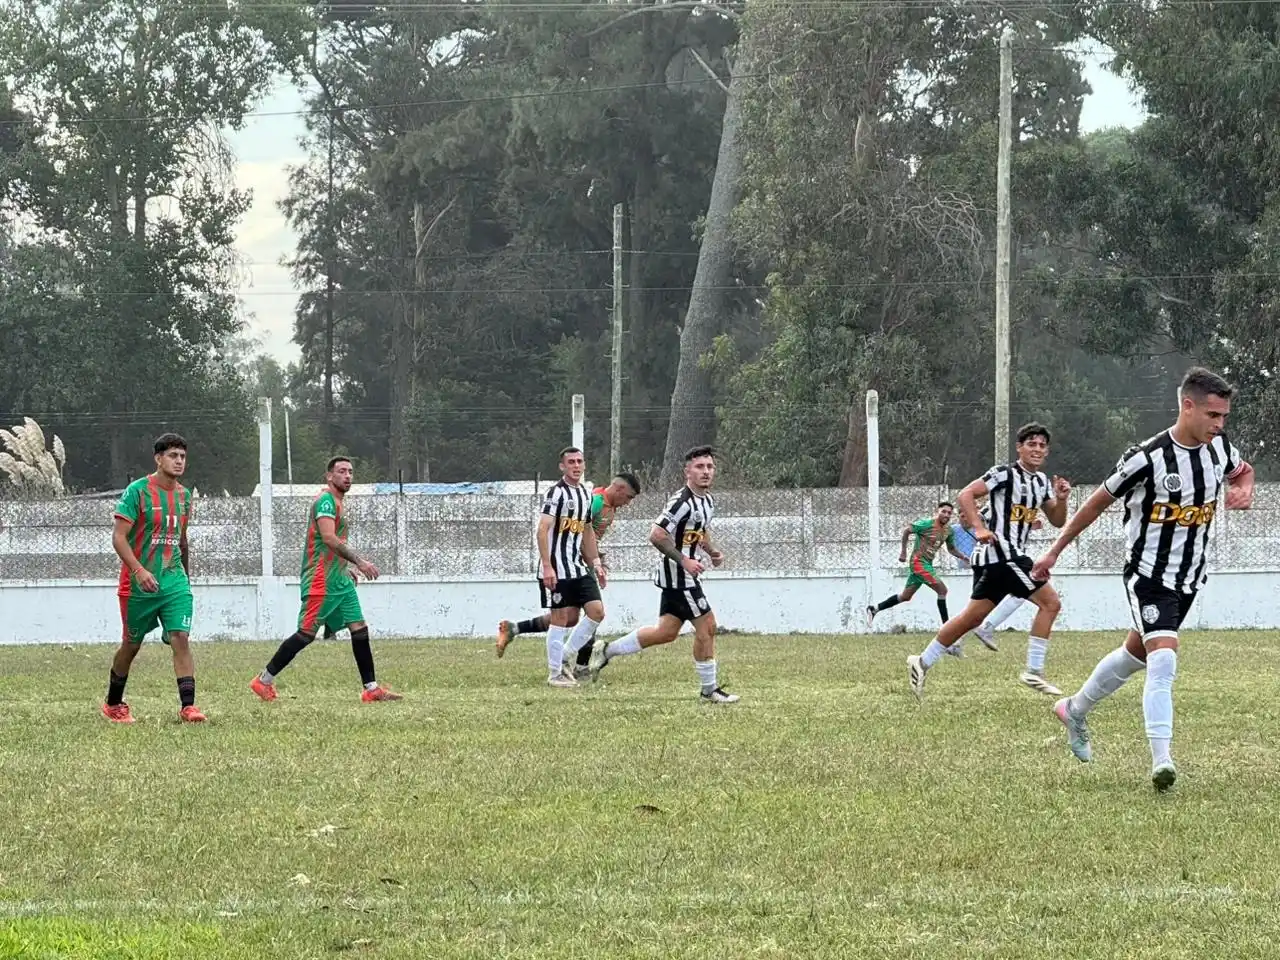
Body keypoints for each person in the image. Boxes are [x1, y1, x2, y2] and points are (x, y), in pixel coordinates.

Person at [1033, 367, 1254, 792]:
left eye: (1224, 417)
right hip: (1148, 577)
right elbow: (1095, 504)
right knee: (1164, 658)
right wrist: (1055, 551)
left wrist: (1245, 488)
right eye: (1213, 415)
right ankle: (1162, 760)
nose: (1219, 424)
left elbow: (1242, 470)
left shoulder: (1219, 449)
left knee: (1134, 654)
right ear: (1187, 406)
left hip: (1189, 578)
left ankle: (1074, 710)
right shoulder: (1146, 458)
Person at [907, 423, 1071, 700]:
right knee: (1050, 603)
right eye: (1031, 444)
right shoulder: (1003, 474)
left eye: (1042, 445)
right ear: (1019, 448)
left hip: (1001, 559)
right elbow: (965, 494)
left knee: (972, 617)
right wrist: (979, 528)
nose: (1037, 449)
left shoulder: (1042, 482)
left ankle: (921, 662)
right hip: (1002, 555)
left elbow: (1057, 520)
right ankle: (1034, 670)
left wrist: (1062, 499)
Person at [588, 446, 739, 704]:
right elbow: (657, 534)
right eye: (699, 467)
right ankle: (708, 690)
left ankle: (606, 650)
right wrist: (685, 561)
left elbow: (698, 531)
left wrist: (712, 551)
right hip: (680, 576)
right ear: (687, 471)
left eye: (709, 467)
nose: (705, 472)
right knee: (708, 626)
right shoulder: (681, 502)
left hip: (684, 575)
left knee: (666, 632)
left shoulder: (707, 501)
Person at [250, 456, 402, 702]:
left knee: (359, 628)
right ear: (329, 476)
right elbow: (329, 538)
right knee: (306, 634)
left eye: (351, 472)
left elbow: (331, 544)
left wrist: (344, 568)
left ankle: (371, 689)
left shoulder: (338, 502)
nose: (348, 476)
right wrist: (359, 562)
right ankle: (263, 680)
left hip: (338, 580)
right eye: (342, 471)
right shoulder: (326, 501)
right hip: (321, 580)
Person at [102, 433, 206, 723]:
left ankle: (188, 707)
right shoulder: (137, 491)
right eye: (173, 455)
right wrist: (139, 570)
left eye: (183, 456)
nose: (179, 461)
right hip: (137, 583)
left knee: (181, 637)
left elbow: (181, 540)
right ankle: (113, 703)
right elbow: (118, 538)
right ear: (158, 458)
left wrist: (185, 578)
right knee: (131, 645)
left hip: (173, 580)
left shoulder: (185, 496)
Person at [495, 471, 640, 676]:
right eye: (629, 497)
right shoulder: (596, 502)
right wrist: (591, 560)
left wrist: (597, 558)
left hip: (583, 564)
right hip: (574, 565)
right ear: (619, 489)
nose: (629, 502)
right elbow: (575, 533)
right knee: (592, 613)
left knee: (571, 618)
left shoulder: (609, 506)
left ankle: (514, 628)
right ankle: (578, 667)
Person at [528, 447, 607, 687]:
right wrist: (547, 566)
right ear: (562, 467)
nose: (576, 465)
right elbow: (542, 530)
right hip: (556, 568)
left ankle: (563, 657)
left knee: (597, 611)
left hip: (577, 567)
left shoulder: (585, 495)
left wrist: (596, 563)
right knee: (560, 618)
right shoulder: (556, 493)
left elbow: (586, 530)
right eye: (570, 462)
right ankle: (555, 674)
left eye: (580, 461)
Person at [866, 501, 972, 632]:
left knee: (905, 596)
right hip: (918, 563)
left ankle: (874, 609)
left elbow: (951, 549)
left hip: (927, 564)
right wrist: (903, 551)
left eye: (949, 513)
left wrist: (964, 557)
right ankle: (947, 628)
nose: (946, 514)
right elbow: (907, 531)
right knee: (942, 590)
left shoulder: (948, 531)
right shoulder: (926, 524)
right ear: (937, 512)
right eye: (943, 511)